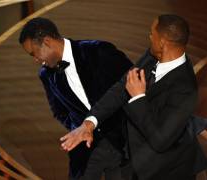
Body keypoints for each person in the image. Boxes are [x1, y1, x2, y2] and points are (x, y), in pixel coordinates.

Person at [60, 14, 207, 180]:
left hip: (165, 170)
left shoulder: (186, 89)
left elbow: (160, 140)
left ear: (162, 43)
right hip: (132, 156)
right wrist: (90, 123)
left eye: (152, 34)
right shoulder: (153, 56)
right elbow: (121, 88)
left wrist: (138, 98)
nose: (149, 37)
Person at [18, 17, 133, 180]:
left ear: (47, 41)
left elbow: (134, 84)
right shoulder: (46, 75)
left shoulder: (99, 51)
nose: (36, 60)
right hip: (85, 148)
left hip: (122, 142)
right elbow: (59, 112)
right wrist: (79, 128)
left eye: (34, 54)